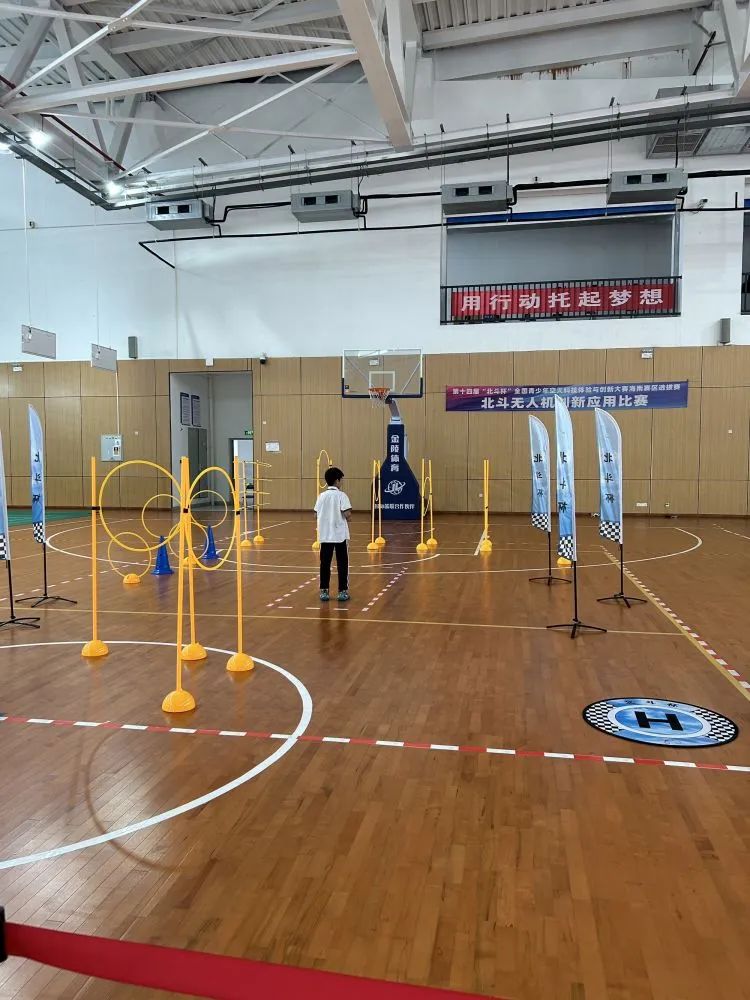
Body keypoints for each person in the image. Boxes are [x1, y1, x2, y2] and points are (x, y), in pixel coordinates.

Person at [314, 467, 352, 602]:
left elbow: (315, 514)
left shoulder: (321, 496)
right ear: (337, 480)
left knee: (325, 563)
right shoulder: (342, 496)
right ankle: (342, 591)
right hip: (340, 535)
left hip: (325, 535)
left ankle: (324, 591)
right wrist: (348, 517)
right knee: (342, 563)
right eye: (341, 480)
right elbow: (347, 514)